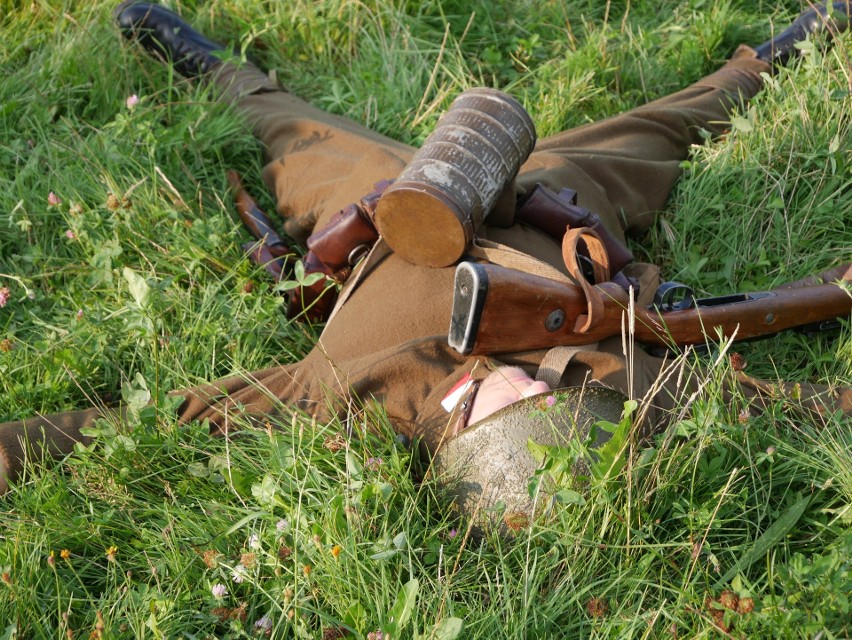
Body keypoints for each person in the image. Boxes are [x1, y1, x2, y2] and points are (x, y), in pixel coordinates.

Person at [1, 1, 849, 499]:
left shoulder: (343, 397)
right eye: (541, 391)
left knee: (292, 128)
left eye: (498, 405)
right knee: (667, 124)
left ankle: (198, 58)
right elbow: (786, 403)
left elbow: (130, 427)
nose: (519, 378)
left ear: (453, 444)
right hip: (556, 196)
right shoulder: (620, 389)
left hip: (379, 207)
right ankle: (796, 40)